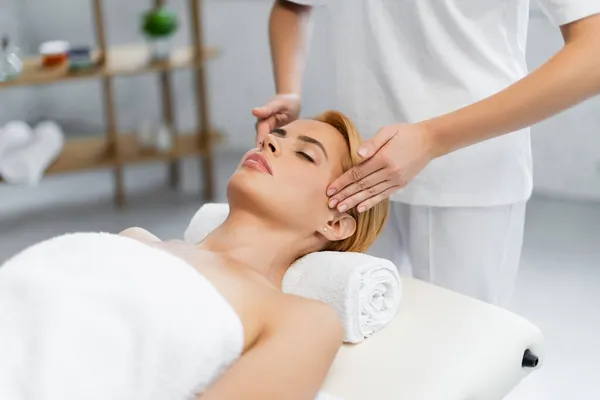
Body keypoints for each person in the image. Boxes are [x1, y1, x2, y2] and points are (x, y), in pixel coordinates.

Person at [0, 111, 389, 399]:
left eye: (305, 155)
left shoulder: (299, 319)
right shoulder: (136, 241)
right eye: (277, 137)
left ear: (335, 224)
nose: (269, 142)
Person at [253, 0, 600, 306]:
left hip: (468, 169)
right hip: (353, 171)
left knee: (460, 352)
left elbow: (593, 52)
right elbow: (293, 5)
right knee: (342, 336)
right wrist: (289, 90)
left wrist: (432, 138)